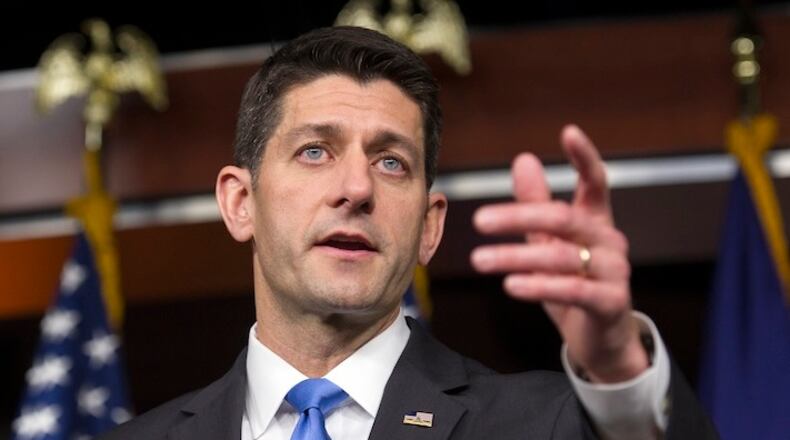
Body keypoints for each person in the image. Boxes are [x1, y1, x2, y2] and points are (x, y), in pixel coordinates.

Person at [101, 26, 717, 439]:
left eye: (391, 162)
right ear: (240, 203)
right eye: (315, 151)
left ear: (429, 227)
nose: (357, 188)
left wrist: (619, 369)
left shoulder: (547, 424)